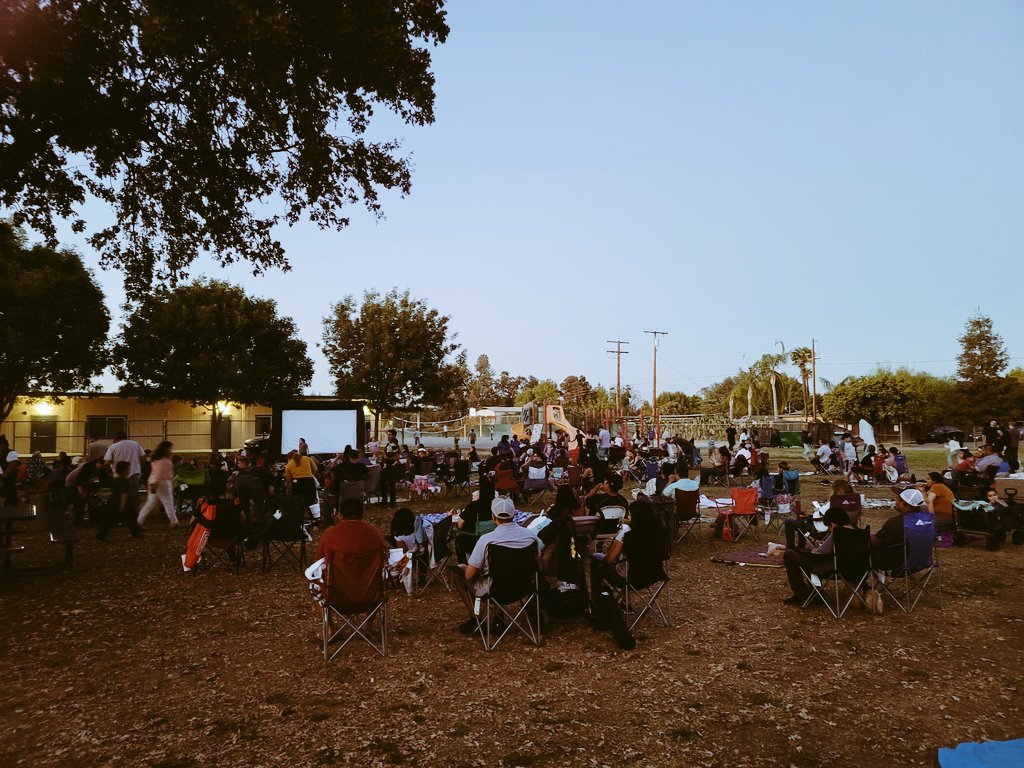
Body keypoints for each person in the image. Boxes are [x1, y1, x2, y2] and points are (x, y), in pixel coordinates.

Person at [449, 496, 542, 634]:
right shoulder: (531, 536)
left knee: (460, 575)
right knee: (497, 574)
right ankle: (499, 620)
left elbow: (469, 575)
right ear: (514, 514)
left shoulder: (487, 540)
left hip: (495, 589)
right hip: (525, 586)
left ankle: (477, 619)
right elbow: (539, 560)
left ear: (493, 516)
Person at [589, 500, 668, 607]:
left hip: (630, 578)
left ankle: (597, 600)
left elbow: (608, 560)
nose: (629, 517)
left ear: (635, 517)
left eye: (630, 515)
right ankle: (625, 602)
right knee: (626, 560)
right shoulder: (659, 532)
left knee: (596, 558)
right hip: (653, 575)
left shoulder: (627, 534)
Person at [781, 507, 853, 606]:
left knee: (790, 555)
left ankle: (802, 595)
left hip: (830, 569)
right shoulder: (862, 533)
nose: (829, 530)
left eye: (829, 528)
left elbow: (818, 553)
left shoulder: (837, 533)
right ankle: (815, 593)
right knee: (806, 556)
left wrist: (813, 550)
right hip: (851, 570)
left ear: (832, 524)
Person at [871, 487, 927, 571]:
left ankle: (858, 582)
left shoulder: (896, 522)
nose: (895, 501)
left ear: (903, 503)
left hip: (896, 566)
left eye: (897, 498)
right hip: (921, 563)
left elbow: (875, 543)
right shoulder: (928, 520)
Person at [96, 460, 143, 541]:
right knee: (130, 518)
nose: (129, 470)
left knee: (111, 520)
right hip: (121, 503)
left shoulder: (116, 480)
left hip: (114, 502)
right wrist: (122, 504)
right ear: (124, 470)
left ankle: (101, 534)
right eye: (128, 469)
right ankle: (135, 533)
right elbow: (123, 494)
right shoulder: (125, 481)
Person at [137, 440, 178, 528]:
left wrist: (154, 483)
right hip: (162, 482)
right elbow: (160, 473)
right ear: (166, 449)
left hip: (154, 481)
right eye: (170, 448)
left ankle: (139, 520)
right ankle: (174, 521)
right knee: (168, 502)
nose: (171, 450)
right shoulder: (164, 460)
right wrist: (157, 483)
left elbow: (156, 472)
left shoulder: (155, 459)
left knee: (151, 502)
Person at [285, 449, 321, 523]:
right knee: (311, 501)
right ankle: (314, 518)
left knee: (298, 502)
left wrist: (289, 490)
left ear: (289, 457)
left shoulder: (289, 464)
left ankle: (299, 519)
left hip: (297, 483)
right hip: (309, 482)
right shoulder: (307, 458)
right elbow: (315, 468)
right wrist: (309, 475)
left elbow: (289, 480)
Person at [380, 428, 401, 507]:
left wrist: (386, 458)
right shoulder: (389, 444)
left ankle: (392, 502)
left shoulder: (394, 445)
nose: (388, 436)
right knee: (382, 483)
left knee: (391, 484)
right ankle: (384, 500)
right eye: (387, 435)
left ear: (394, 436)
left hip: (390, 467)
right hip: (385, 467)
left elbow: (397, 457)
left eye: (390, 435)